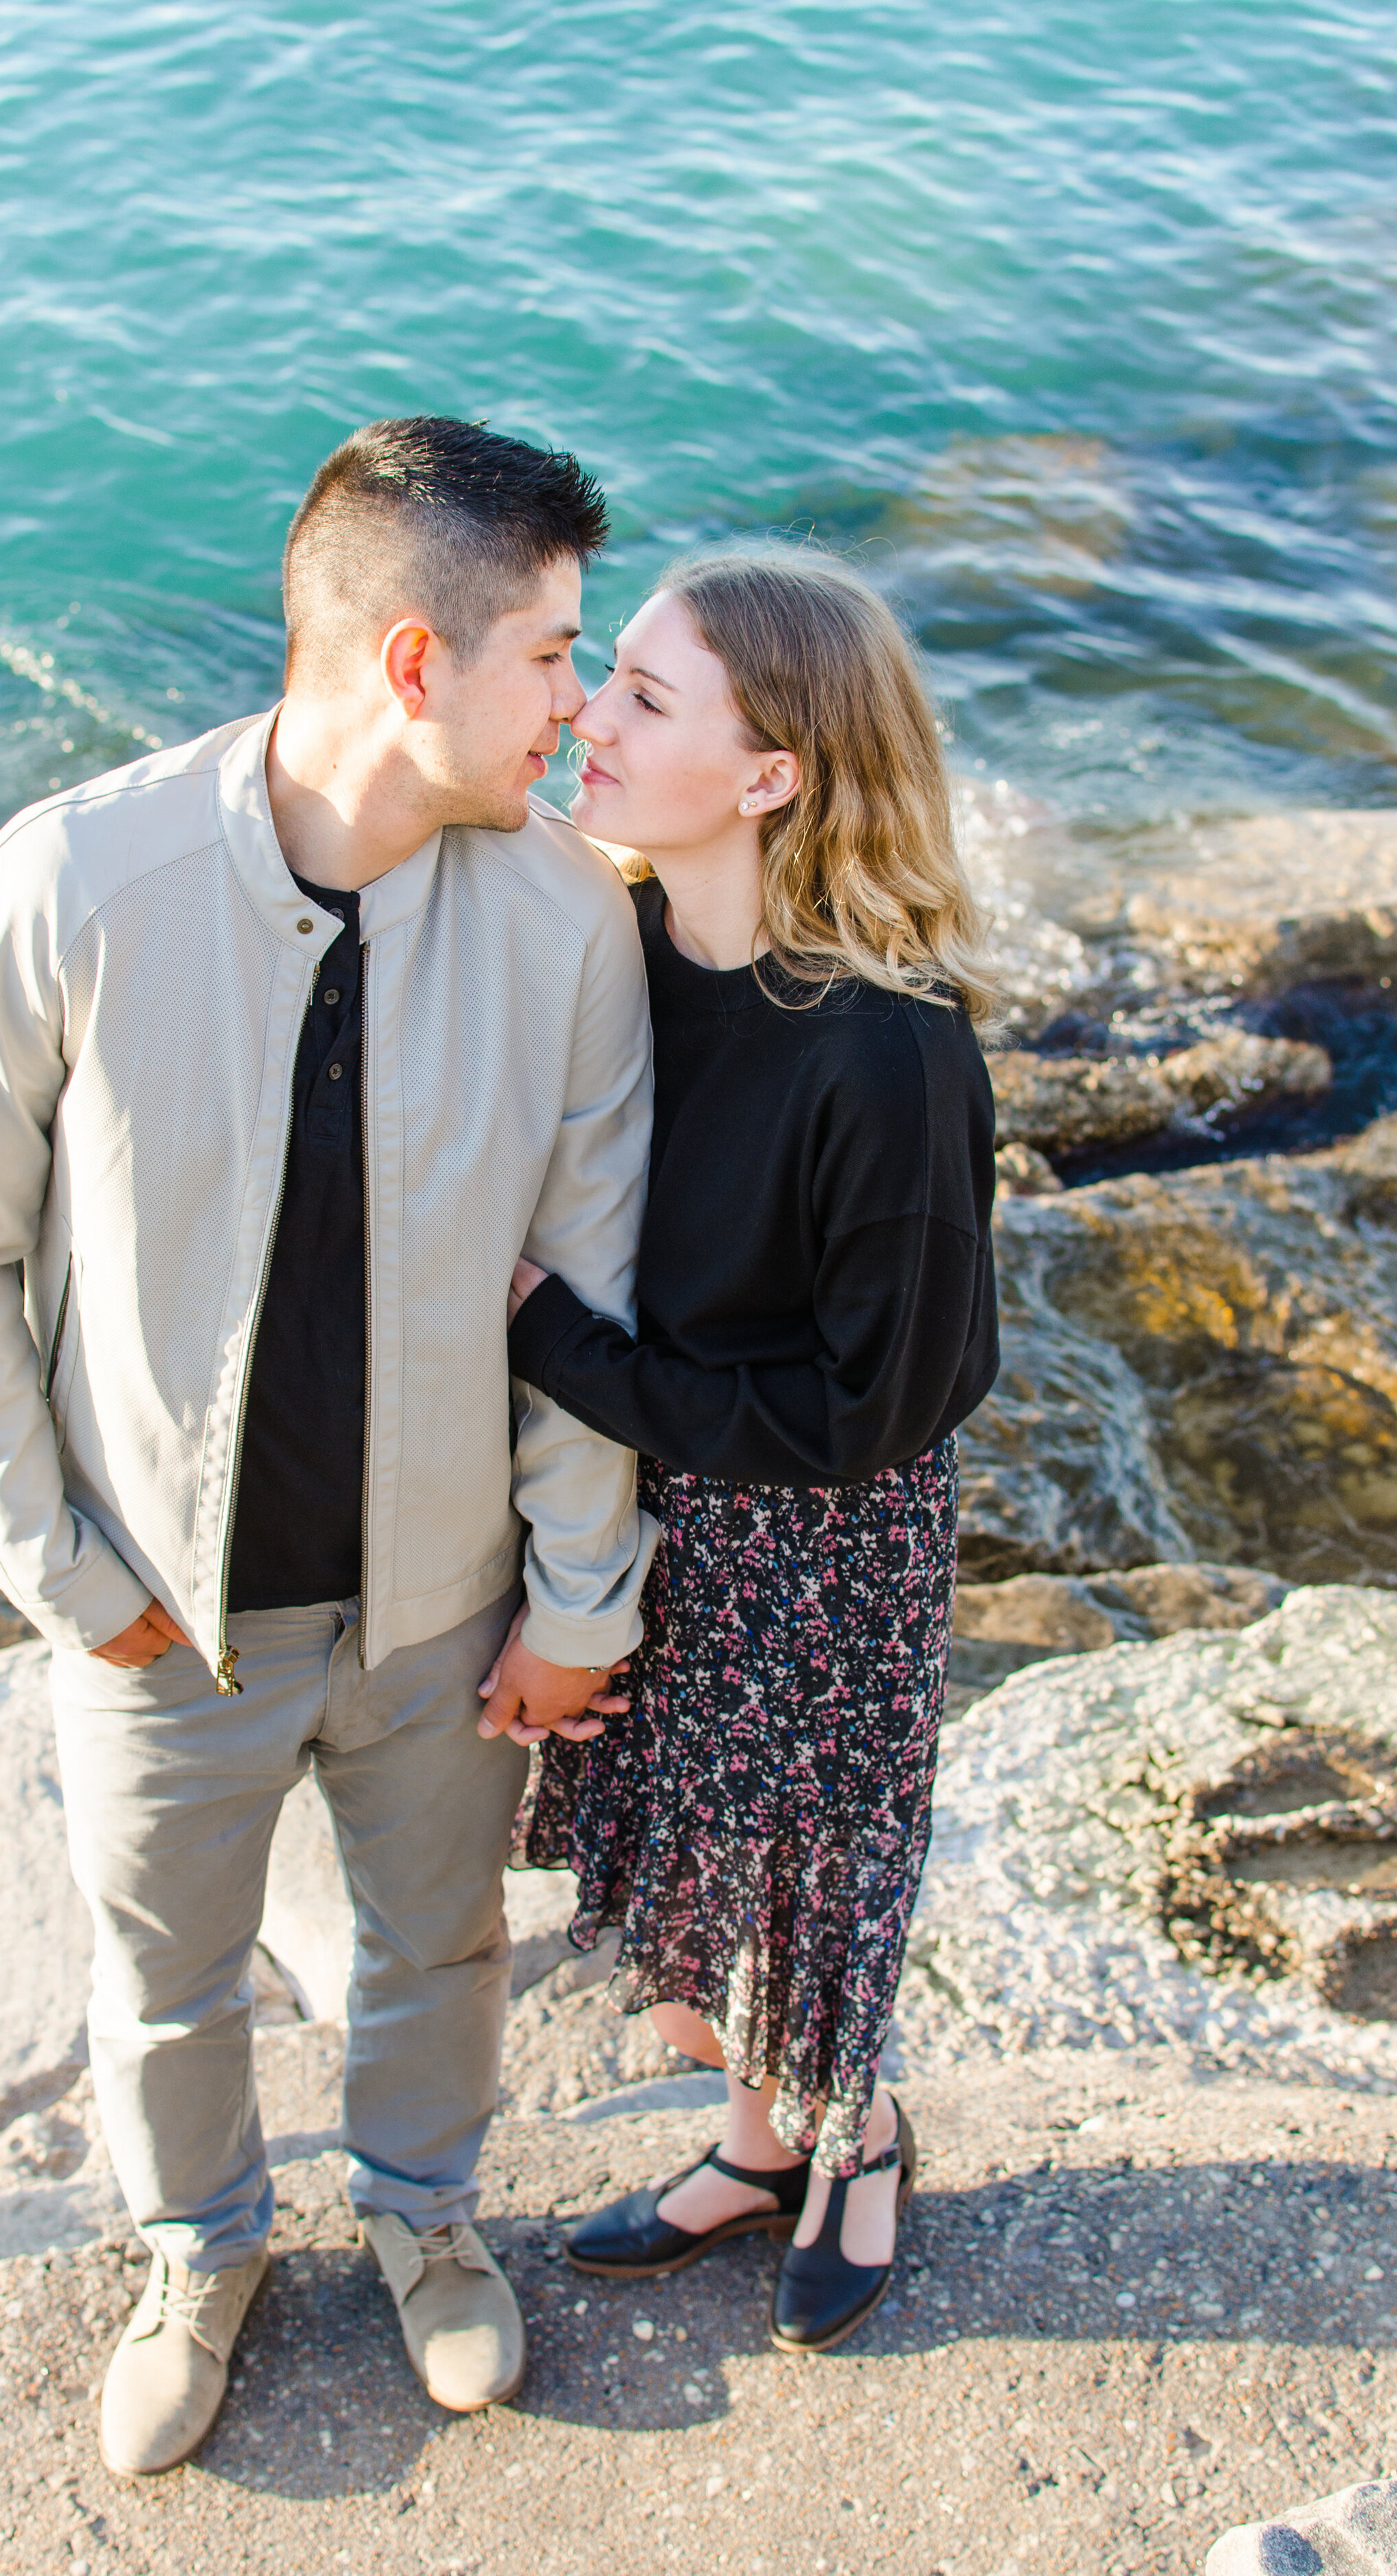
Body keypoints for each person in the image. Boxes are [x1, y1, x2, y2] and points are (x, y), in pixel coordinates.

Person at [0, 417, 657, 2470]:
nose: (578, 702)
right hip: (157, 1611)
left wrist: (578, 1598)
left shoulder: (573, 920)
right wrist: (67, 1580)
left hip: (438, 1613)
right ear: (417, 664)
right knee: (166, 1978)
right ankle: (195, 2251)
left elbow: (593, 1304)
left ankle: (427, 2226)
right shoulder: (72, 880)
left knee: (443, 1947)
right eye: (555, 655)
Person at [493, 548, 998, 2355]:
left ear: (771, 772)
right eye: (596, 676)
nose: (583, 717)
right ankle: (751, 2146)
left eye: (640, 695)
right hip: (658, 1487)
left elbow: (873, 1410)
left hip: (822, 1529)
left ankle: (852, 2138)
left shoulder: (888, 1053)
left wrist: (549, 1330)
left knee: (797, 1873)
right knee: (692, 1877)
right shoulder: (613, 948)